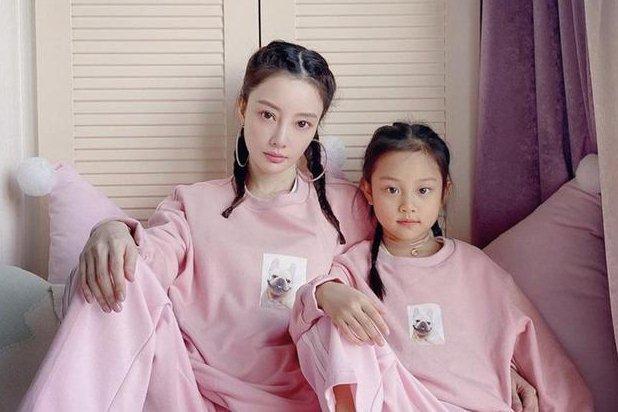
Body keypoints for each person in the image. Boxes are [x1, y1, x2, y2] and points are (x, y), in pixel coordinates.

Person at [20, 42, 538, 411]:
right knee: (118, 268)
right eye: (268, 115)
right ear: (243, 109)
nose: (280, 138)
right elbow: (142, 269)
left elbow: (413, 283)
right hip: (193, 394)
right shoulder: (193, 205)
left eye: (301, 123)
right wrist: (111, 230)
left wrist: (494, 365)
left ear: (315, 129)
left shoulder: (349, 206)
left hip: (310, 398)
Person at [290, 122, 592, 411]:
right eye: (392, 190)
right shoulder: (354, 265)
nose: (408, 205)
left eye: (423, 191)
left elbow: (540, 353)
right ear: (368, 191)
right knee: (332, 326)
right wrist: (326, 292)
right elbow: (305, 320)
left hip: (479, 404)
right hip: (402, 403)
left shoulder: (475, 267)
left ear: (444, 191)